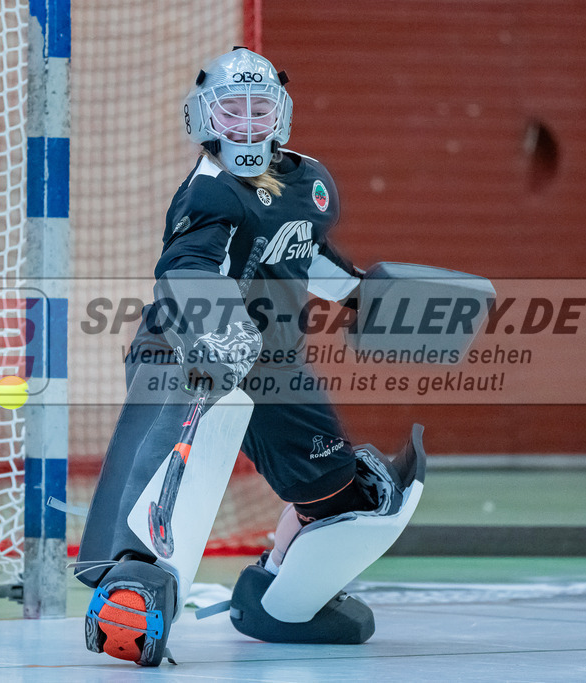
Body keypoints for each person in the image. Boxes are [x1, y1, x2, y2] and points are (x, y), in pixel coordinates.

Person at [75, 47, 425, 667]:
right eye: (230, 110)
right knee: (171, 474)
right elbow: (184, 269)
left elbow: (302, 256)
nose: (244, 122)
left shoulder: (309, 182)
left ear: (280, 114)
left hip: (273, 358)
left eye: (257, 107)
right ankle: (133, 588)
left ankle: (281, 597)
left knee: (337, 493)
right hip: (188, 346)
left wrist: (370, 298)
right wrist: (222, 327)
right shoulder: (210, 191)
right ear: (205, 117)